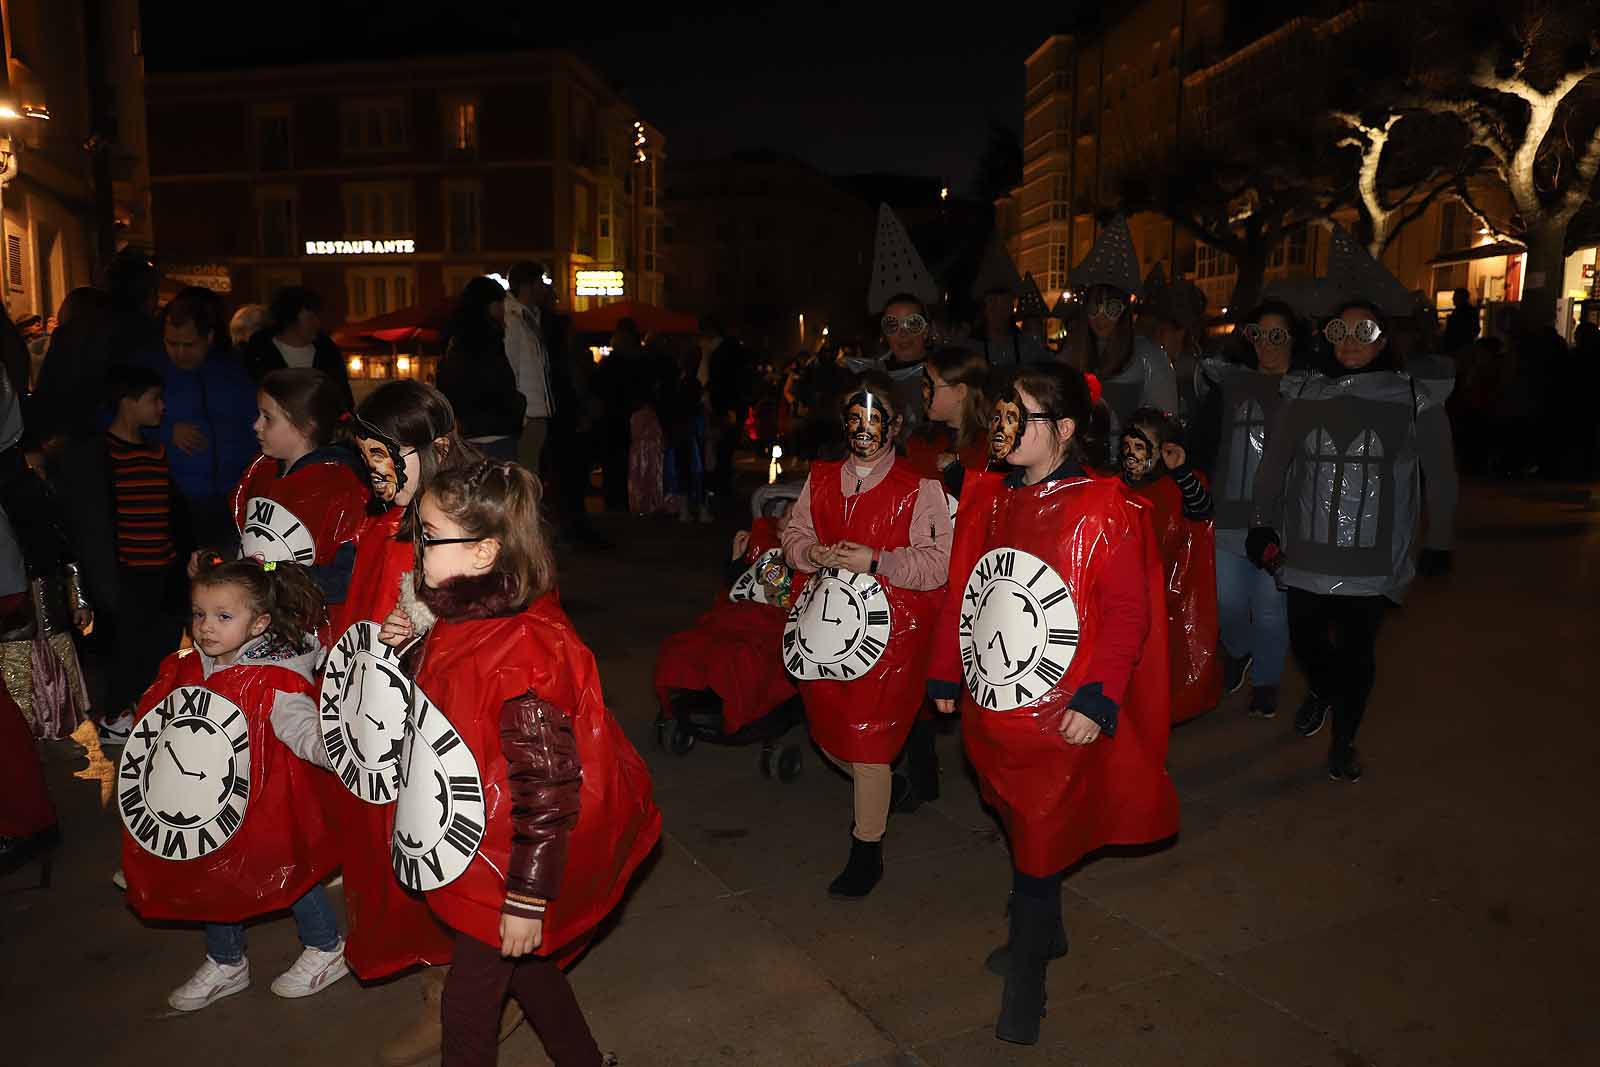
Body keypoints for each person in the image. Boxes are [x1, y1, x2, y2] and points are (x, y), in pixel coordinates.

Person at [377, 459, 660, 1067]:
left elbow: (550, 787)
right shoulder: (464, 616)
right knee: (529, 972)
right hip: (479, 842)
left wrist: (527, 899)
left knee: (469, 1002)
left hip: (508, 862)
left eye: (428, 533)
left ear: (484, 554)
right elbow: (452, 715)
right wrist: (413, 649)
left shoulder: (523, 652)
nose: (416, 544)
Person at [926, 364, 1178, 1046]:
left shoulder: (1106, 508)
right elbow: (966, 591)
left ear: (1063, 431)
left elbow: (1128, 613)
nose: (1003, 427)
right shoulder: (991, 498)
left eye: (1022, 415)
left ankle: (1027, 982)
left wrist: (1100, 697)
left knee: (1037, 833)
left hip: (1062, 710)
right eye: (1002, 412)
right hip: (996, 706)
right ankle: (1049, 931)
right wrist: (947, 670)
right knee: (1014, 816)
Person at [328, 381, 480, 1066]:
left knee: (442, 857)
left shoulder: (466, 517)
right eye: (368, 459)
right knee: (400, 853)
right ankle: (448, 991)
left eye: (386, 458)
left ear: (436, 447)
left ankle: (458, 1002)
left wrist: (424, 618)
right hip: (391, 714)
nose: (376, 474)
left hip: (447, 717)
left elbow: (496, 606)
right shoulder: (385, 520)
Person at [119, 557, 344, 1011]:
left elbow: (302, 729)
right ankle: (227, 960)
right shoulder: (186, 665)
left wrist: (339, 751)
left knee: (290, 870)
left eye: (224, 616)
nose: (206, 627)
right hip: (209, 805)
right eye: (199, 614)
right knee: (209, 871)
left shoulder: (275, 677)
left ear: (259, 623)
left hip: (269, 807)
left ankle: (326, 945)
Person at [1249, 299, 1459, 782]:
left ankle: (1343, 743)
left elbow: (1440, 473)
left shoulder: (1413, 397)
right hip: (1306, 549)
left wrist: (1439, 539)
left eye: (1363, 331)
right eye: (1339, 330)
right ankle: (1324, 690)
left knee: (1357, 652)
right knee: (1306, 642)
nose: (1349, 340)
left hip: (1374, 556)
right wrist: (1262, 522)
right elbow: (1275, 463)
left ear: (1384, 340)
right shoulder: (1303, 391)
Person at [780, 374, 953, 897]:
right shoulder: (822, 478)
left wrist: (877, 560)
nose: (863, 430)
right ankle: (880, 788)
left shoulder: (921, 488)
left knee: (870, 738)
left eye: (874, 419)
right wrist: (810, 554)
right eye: (854, 419)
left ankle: (866, 848)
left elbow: (938, 562)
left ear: (895, 425)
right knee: (832, 728)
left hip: (894, 633)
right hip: (829, 623)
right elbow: (795, 532)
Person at [51, 363, 190, 743]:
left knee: (157, 651)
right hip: (124, 574)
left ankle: (142, 712)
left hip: (161, 572)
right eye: (154, 399)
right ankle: (115, 716)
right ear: (128, 402)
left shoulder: (156, 452)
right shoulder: (100, 454)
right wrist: (96, 584)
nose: (162, 407)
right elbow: (90, 524)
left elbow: (171, 514)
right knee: (123, 653)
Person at [1190, 302, 1302, 718]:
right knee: (1228, 603)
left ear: (1293, 339)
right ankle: (1241, 649)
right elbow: (1203, 440)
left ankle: (1267, 680)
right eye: (1259, 334)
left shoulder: (1308, 391)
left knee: (1271, 608)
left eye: (1278, 335)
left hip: (1280, 523)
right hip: (1229, 517)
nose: (1267, 345)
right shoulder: (1231, 385)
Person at [654, 488, 803, 743]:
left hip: (774, 623)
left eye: (794, 517)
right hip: (740, 616)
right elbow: (737, 588)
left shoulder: (808, 557)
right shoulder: (765, 548)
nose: (783, 520)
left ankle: (733, 709)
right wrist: (737, 558)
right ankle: (692, 699)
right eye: (784, 514)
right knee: (685, 646)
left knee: (740, 657)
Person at [226, 369, 368, 607]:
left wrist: (271, 571)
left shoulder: (341, 486)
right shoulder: (262, 470)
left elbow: (345, 577)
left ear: (306, 426)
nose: (256, 425)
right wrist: (220, 561)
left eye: (267, 417)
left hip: (308, 627)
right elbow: (247, 540)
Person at [134, 287, 259, 557]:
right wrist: (167, 431)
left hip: (231, 498)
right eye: (171, 343)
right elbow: (118, 418)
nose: (179, 353)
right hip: (174, 501)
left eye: (188, 345)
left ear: (209, 338)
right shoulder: (149, 372)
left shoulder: (232, 373)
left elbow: (254, 425)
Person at [1117, 406, 1221, 723]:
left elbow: (1201, 509)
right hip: (1122, 591)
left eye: (1141, 447)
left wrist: (1180, 472)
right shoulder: (1116, 485)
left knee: (1157, 667)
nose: (1132, 455)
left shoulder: (1178, 485)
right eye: (1127, 447)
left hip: (1164, 593)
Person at [437, 277, 525, 463]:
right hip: (495, 430)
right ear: (489, 306)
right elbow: (499, 383)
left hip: (467, 432)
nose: (503, 310)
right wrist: (518, 405)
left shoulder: (454, 341)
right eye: (499, 303)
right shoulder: (490, 341)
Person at [241, 286, 353, 410]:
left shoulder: (328, 353)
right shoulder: (259, 353)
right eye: (310, 318)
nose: (317, 323)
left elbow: (343, 398)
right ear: (290, 319)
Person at [844, 293, 935, 440]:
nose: (903, 334)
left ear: (925, 331)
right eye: (892, 325)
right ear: (884, 333)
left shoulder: (945, 376)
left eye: (913, 324)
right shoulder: (869, 377)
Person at [504, 262, 557, 478]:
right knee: (525, 473)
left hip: (536, 409)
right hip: (528, 412)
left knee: (530, 471)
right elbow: (512, 367)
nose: (544, 288)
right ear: (527, 286)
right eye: (539, 283)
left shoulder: (529, 316)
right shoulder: (514, 319)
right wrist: (520, 412)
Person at [699, 316, 752, 498]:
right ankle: (722, 483)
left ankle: (720, 485)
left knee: (721, 447)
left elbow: (723, 382)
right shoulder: (730, 350)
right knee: (724, 448)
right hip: (730, 405)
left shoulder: (721, 352)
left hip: (724, 406)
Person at [1441, 287, 1480, 353]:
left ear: (1461, 298)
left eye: (1455, 297)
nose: (1453, 299)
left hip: (1459, 346)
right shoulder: (1466, 311)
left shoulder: (1463, 312)